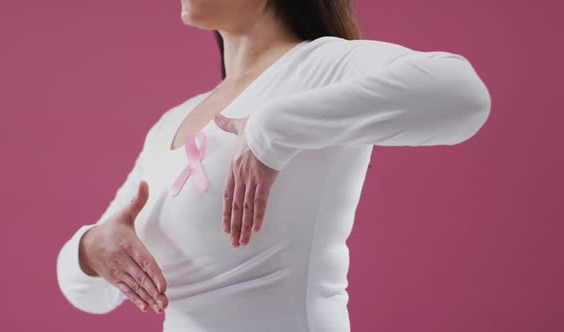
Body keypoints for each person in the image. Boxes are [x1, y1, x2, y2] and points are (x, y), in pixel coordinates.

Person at [56, 0, 492, 331]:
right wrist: (91, 249)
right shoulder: (171, 124)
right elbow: (89, 292)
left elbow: (463, 95)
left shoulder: (321, 65)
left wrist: (271, 131)